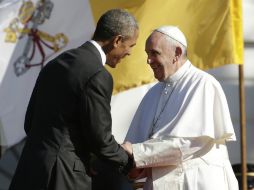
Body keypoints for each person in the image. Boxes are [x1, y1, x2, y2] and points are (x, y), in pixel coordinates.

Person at [9, 9, 139, 190]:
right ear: (117, 41)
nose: (129, 53)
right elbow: (100, 139)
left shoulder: (55, 63)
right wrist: (129, 163)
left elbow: (29, 122)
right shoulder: (98, 74)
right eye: (130, 46)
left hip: (29, 170)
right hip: (61, 177)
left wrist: (86, 156)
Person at [122, 26, 239, 190]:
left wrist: (136, 153)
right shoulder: (152, 93)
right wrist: (132, 166)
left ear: (177, 53)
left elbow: (189, 143)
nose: (148, 60)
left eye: (154, 53)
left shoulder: (202, 84)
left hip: (196, 184)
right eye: (147, 54)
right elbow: (136, 150)